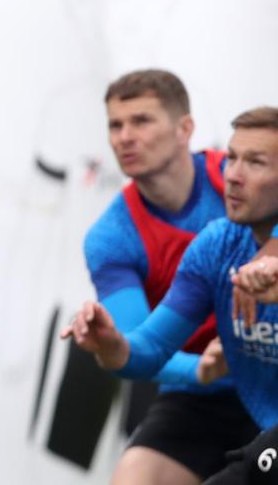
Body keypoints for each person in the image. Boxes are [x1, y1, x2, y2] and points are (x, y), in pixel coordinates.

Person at [63, 107, 278, 485]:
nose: (233, 176)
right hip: (220, 401)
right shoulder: (215, 244)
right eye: (232, 158)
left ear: (184, 129)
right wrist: (111, 346)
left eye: (256, 163)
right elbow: (148, 348)